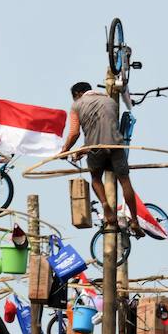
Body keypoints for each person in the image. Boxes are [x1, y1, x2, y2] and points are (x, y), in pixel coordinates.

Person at [61, 82, 145, 237]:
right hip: (116, 146)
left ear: (78, 94)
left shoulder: (77, 106)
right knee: (125, 181)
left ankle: (106, 205)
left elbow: (74, 133)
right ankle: (134, 220)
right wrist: (83, 151)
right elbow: (105, 128)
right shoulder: (110, 101)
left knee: (95, 178)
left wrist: (65, 150)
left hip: (95, 148)